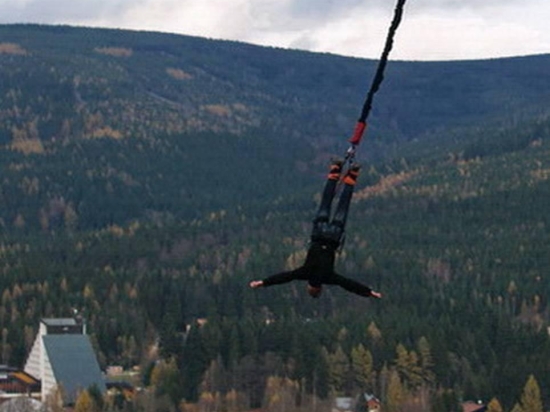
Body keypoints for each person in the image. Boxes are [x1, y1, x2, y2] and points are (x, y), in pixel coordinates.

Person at [249, 159, 382, 299]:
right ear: (310, 287)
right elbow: (284, 277)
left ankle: (353, 174)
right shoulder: (304, 273)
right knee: (326, 202)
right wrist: (262, 282)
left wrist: (369, 292)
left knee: (343, 205)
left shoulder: (329, 277)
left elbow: (348, 284)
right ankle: (335, 170)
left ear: (320, 289)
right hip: (318, 234)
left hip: (333, 237)